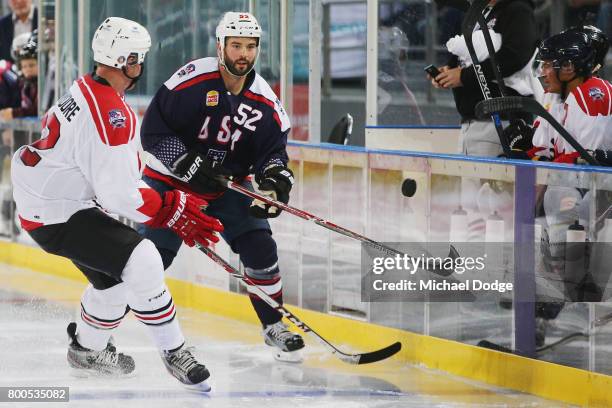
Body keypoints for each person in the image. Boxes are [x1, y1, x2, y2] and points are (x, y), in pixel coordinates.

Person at [10, 17, 223, 391]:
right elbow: (119, 194)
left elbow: (104, 168)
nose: (140, 66)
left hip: (47, 200)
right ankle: (175, 351)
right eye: (138, 58)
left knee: (113, 283)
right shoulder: (111, 113)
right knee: (143, 260)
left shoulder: (85, 88)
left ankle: (87, 350)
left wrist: (158, 195)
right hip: (58, 211)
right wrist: (170, 208)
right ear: (125, 60)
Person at [139, 11, 305, 362]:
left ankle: (273, 325)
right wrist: (186, 162)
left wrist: (274, 182)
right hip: (170, 184)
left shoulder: (265, 103)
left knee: (260, 246)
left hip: (224, 186)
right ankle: (98, 332)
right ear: (220, 46)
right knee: (147, 262)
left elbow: (273, 155)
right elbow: (152, 131)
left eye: (250, 46)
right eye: (235, 46)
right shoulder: (191, 81)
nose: (242, 54)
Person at [429, 0, 539, 157]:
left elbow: (514, 57)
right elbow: (470, 52)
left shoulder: (518, 10)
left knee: (493, 181)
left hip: (500, 123)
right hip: (473, 123)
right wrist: (450, 69)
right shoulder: (480, 11)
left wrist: (463, 76)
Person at [0, 30, 38, 120]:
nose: (27, 69)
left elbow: (38, 109)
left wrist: (15, 113)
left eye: (31, 65)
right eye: (24, 66)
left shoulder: (42, 82)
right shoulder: (23, 83)